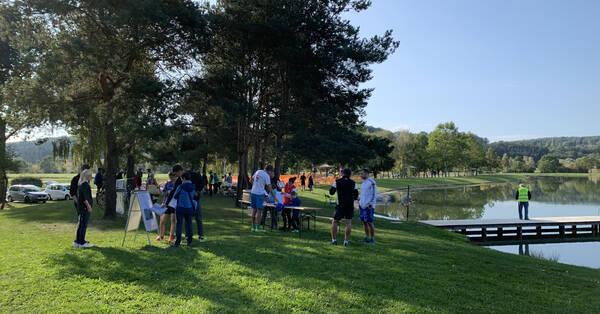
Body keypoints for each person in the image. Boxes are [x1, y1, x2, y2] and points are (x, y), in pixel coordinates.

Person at [329, 168, 358, 247]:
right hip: (349, 205)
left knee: (335, 221)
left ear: (342, 173)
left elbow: (331, 192)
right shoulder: (353, 183)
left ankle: (334, 240)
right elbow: (356, 196)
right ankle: (346, 242)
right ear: (350, 175)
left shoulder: (337, 181)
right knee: (348, 223)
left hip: (340, 205)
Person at [250, 165, 279, 232]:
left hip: (253, 192)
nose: (271, 173)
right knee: (259, 211)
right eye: (271, 172)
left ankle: (253, 227)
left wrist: (255, 186)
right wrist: (275, 198)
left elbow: (251, 180)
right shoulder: (266, 176)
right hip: (259, 194)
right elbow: (270, 188)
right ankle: (258, 228)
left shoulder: (258, 171)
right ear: (269, 171)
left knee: (254, 210)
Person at [172, 172, 196, 247]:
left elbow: (175, 196)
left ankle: (177, 243)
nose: (181, 180)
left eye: (181, 178)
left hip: (181, 207)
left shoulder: (181, 186)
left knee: (179, 225)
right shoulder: (193, 186)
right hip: (189, 208)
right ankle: (190, 241)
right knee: (189, 224)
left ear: (184, 178)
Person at [74, 169, 94, 248]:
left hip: (81, 207)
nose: (91, 177)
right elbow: (85, 198)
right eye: (90, 176)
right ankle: (81, 242)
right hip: (85, 208)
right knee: (83, 225)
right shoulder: (85, 185)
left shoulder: (81, 184)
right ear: (87, 176)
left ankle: (78, 241)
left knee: (80, 224)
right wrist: (89, 206)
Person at [156, 171, 178, 243]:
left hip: (174, 204)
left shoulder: (178, 183)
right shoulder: (168, 183)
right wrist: (163, 190)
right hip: (166, 204)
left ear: (176, 176)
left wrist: (172, 192)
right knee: (162, 220)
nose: (172, 179)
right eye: (170, 177)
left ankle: (171, 237)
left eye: (173, 177)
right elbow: (163, 193)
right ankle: (161, 236)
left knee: (173, 220)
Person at [358, 169, 377, 244]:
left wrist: (371, 204)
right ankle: (366, 237)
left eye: (362, 174)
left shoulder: (372, 182)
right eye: (360, 174)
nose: (360, 175)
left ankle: (372, 239)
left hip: (368, 206)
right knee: (364, 222)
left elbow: (375, 194)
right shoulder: (363, 183)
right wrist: (359, 200)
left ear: (367, 174)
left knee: (370, 222)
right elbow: (362, 194)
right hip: (362, 205)